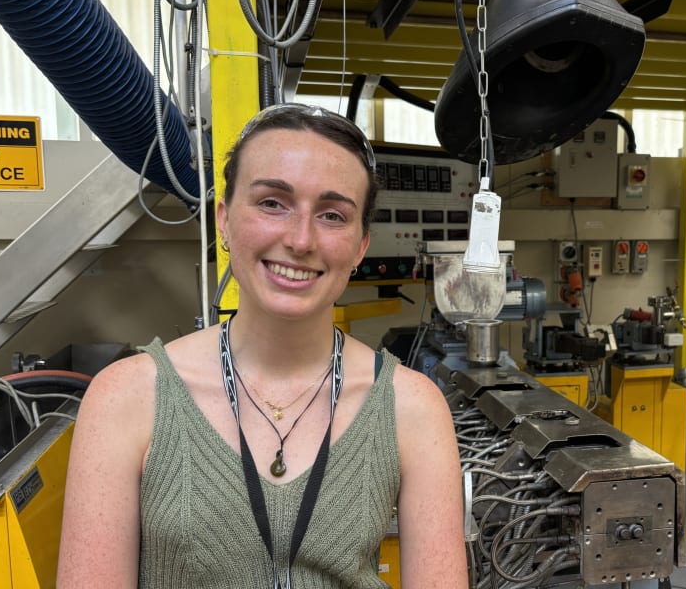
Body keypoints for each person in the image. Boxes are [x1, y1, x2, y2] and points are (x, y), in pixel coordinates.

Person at [57, 104, 467, 588]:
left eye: (333, 215)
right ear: (225, 222)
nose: (300, 239)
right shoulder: (126, 399)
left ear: (359, 246)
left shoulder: (412, 406)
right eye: (273, 203)